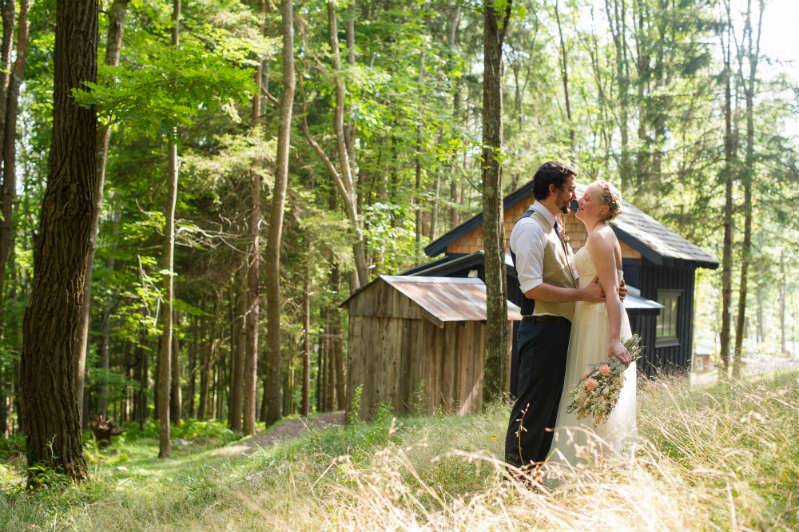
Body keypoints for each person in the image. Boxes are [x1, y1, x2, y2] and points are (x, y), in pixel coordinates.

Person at [504, 162, 609, 471]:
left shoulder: (554, 228)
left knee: (550, 410)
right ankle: (515, 479)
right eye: (570, 189)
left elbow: (570, 279)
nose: (573, 196)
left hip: (559, 332)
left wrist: (606, 287)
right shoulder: (529, 228)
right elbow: (532, 287)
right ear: (553, 190)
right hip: (541, 331)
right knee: (532, 409)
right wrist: (582, 295)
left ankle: (535, 476)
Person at [549, 181, 636, 465]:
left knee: (589, 399)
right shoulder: (597, 235)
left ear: (603, 208)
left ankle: (587, 466)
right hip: (589, 317)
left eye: (588, 199)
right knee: (587, 398)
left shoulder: (600, 236)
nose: (580, 201)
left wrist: (613, 340)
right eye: (581, 197)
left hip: (599, 323)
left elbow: (612, 291)